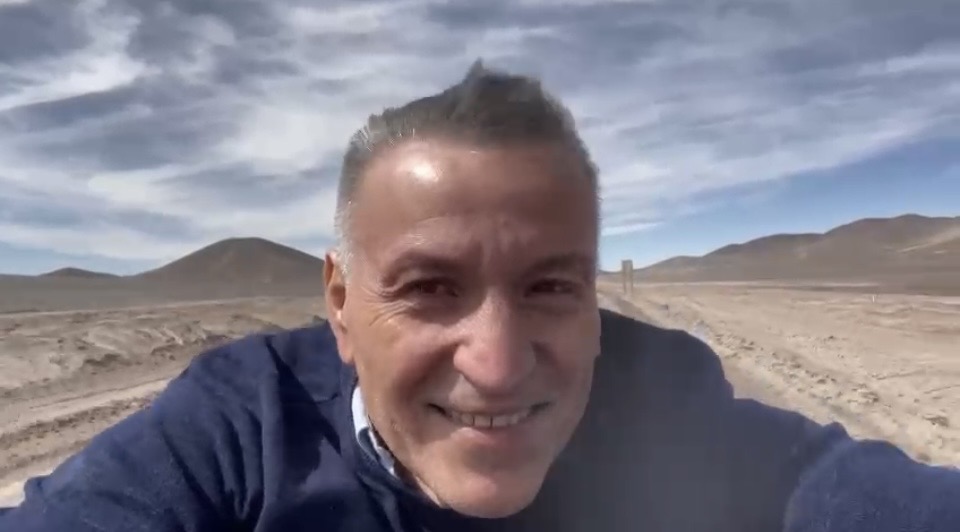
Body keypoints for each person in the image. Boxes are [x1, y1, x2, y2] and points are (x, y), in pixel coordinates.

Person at [2, 61, 958, 532]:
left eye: (550, 286)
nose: (497, 366)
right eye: (428, 289)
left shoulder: (663, 406)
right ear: (340, 303)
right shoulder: (240, 429)